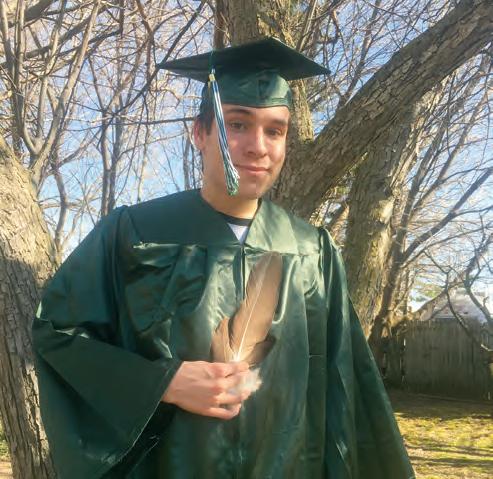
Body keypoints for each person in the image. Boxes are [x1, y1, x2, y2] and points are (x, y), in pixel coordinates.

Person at [32, 38, 415, 479]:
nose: (258, 146)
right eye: (237, 124)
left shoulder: (312, 250)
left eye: (275, 130)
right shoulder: (134, 233)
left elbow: (345, 389)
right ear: (200, 133)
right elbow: (58, 334)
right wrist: (163, 383)